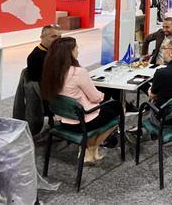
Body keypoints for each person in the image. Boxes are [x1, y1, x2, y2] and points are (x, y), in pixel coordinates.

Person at [40, 37, 121, 165]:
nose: (78, 51)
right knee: (119, 108)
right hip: (83, 122)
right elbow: (95, 98)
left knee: (103, 107)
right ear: (70, 52)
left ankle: (88, 150)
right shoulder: (79, 72)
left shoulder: (49, 72)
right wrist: (102, 95)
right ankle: (91, 147)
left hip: (63, 121)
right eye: (76, 48)